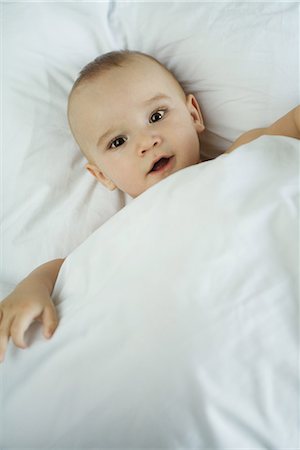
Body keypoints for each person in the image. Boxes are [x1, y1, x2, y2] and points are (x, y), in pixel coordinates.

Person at [0, 50, 299, 362]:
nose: (147, 142)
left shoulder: (237, 157)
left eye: (156, 116)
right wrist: (29, 289)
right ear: (102, 174)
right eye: (118, 142)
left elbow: (293, 121)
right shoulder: (124, 228)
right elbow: (64, 267)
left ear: (193, 115)